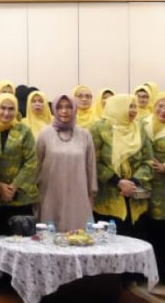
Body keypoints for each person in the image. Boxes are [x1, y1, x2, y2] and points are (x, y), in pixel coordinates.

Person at [92, 93, 152, 238]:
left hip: (135, 197)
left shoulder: (139, 128)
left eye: (134, 106)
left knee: (136, 241)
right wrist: (118, 182)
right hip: (108, 196)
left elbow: (149, 161)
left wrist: (133, 183)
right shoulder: (99, 128)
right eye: (129, 106)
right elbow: (92, 162)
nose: (133, 110)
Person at [35, 94, 97, 232]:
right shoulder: (45, 134)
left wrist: (91, 195)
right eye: (60, 107)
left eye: (69, 107)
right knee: (50, 239)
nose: (64, 111)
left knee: (78, 238)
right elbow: (36, 165)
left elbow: (90, 166)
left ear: (75, 109)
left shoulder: (84, 135)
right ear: (54, 109)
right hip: (50, 194)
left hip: (78, 195)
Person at [0, 92, 37, 240]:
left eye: (11, 109)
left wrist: (14, 186)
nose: (6, 113)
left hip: (20, 197)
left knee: (22, 243)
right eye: (2, 108)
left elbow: (32, 160)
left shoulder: (24, 130)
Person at [145, 92, 165, 286]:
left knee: (162, 230)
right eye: (160, 105)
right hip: (145, 186)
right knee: (148, 228)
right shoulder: (145, 123)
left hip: (163, 189)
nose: (163, 110)